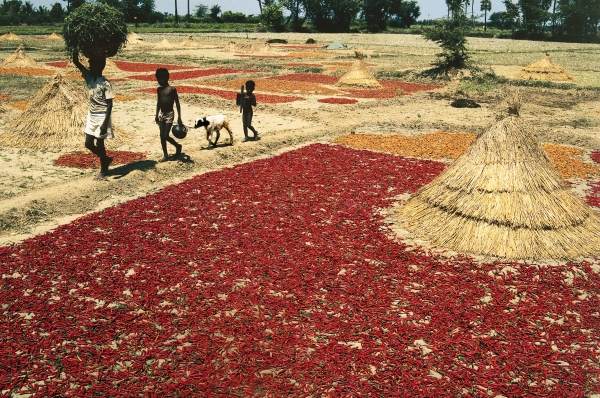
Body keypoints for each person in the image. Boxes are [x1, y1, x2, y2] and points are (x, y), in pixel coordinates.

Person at [72, 52, 113, 179]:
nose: (89, 66)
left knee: (100, 144)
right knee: (88, 143)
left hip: (102, 116)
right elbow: (77, 63)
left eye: (92, 64)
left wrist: (105, 123)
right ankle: (105, 158)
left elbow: (110, 104)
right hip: (92, 115)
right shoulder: (89, 78)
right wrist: (74, 51)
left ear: (98, 66)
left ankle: (103, 170)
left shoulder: (105, 83)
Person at [154, 68, 183, 161]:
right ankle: (165, 155)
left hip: (170, 114)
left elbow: (177, 103)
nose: (159, 81)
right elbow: (158, 102)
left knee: (165, 135)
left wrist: (179, 117)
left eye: (160, 79)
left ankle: (177, 146)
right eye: (158, 79)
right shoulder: (159, 90)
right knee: (161, 136)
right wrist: (156, 114)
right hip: (162, 114)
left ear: (166, 78)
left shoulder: (172, 89)